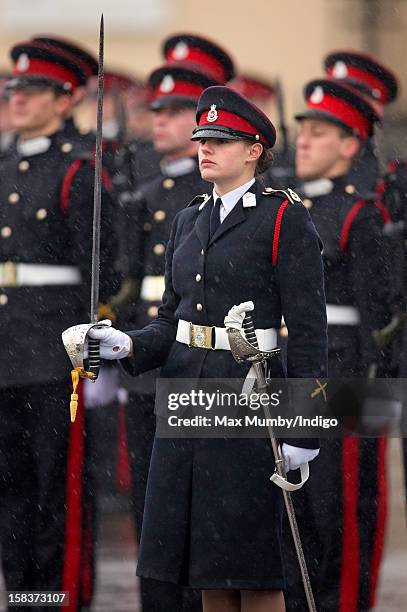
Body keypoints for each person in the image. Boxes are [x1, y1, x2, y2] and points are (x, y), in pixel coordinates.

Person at [72, 85, 328, 611]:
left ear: (255, 149)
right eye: (202, 139)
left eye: (221, 140)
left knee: (252, 568)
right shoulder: (189, 218)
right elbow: (172, 320)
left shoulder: (282, 218)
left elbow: (307, 332)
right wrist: (125, 344)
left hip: (247, 399)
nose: (205, 149)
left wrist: (307, 425)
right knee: (207, 565)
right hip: (187, 397)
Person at [0, 40, 116, 612]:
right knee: (11, 493)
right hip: (4, 351)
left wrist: (90, 355)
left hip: (54, 356)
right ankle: (25, 599)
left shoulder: (78, 173)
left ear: (65, 99)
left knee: (57, 494)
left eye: (33, 91)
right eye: (14, 90)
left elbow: (103, 270)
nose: (18, 100)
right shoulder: (2, 169)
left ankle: (59, 600)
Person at [118, 37, 233, 612]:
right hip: (151, 361)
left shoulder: (225, 193)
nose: (158, 120)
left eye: (172, 112)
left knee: (205, 511)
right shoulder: (146, 192)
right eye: (155, 109)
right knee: (151, 504)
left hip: (203, 365)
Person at [289, 77, 392, 612]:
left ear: (350, 145)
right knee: (293, 517)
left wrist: (378, 397)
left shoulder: (362, 215)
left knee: (342, 511)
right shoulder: (282, 206)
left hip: (346, 374)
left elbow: (381, 317)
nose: (303, 140)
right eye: (302, 130)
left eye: (320, 132)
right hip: (286, 373)